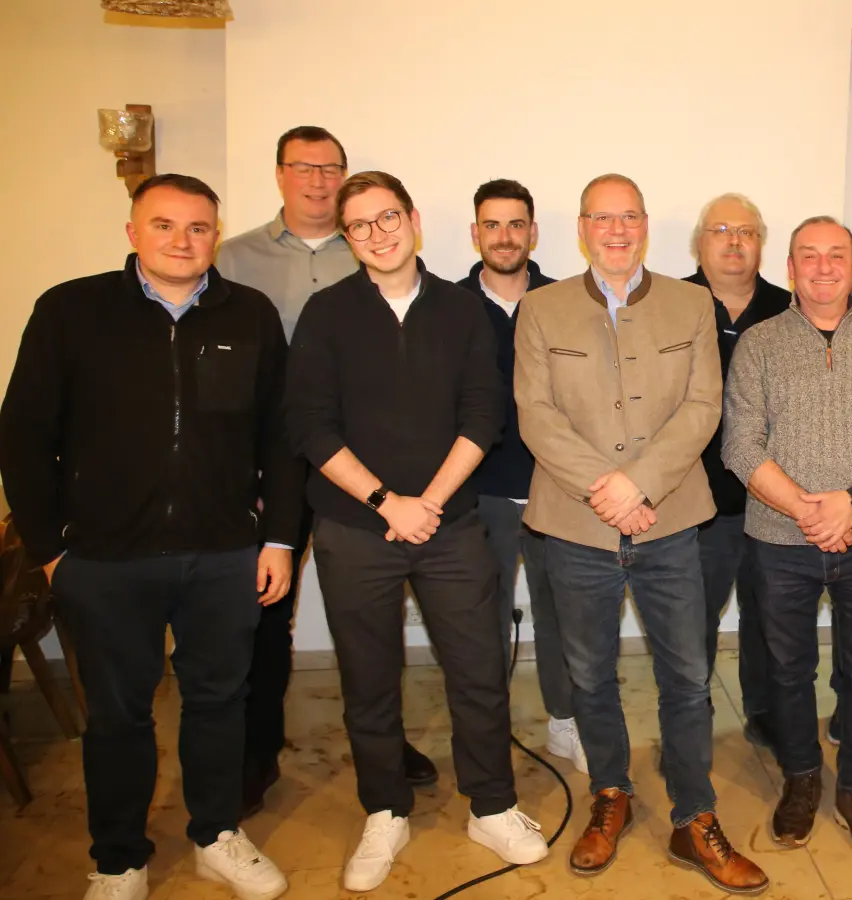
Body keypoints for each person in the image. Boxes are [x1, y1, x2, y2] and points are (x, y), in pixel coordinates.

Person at [0, 174, 298, 900]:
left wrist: (280, 540)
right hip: (103, 559)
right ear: (133, 232)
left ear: (215, 236)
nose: (181, 241)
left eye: (198, 228)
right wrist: (50, 550)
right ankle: (119, 856)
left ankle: (216, 833)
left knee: (220, 702)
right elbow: (24, 434)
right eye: (163, 225)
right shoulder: (71, 310)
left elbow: (281, 438)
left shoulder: (249, 314)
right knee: (118, 714)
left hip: (224, 553)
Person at [286, 171, 548, 892]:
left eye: (388, 216)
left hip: (451, 522)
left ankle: (491, 805)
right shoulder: (326, 312)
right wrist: (384, 501)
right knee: (369, 679)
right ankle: (384, 809)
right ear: (347, 238)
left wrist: (426, 501)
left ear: (414, 219)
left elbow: (482, 416)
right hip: (353, 527)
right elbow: (310, 424)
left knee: (477, 667)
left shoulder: (462, 312)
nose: (378, 233)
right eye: (360, 225)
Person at [515, 174, 767, 892]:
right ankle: (610, 796)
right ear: (583, 227)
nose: (617, 229)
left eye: (629, 217)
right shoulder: (541, 309)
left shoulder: (692, 304)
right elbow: (536, 415)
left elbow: (702, 406)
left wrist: (639, 484)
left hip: (671, 522)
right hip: (575, 524)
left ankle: (695, 817)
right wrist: (606, 489)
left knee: (687, 676)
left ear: (647, 225)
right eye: (603, 217)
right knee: (590, 675)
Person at [215, 124, 439, 816]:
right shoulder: (231, 257)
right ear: (279, 174)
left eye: (330, 169)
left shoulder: (372, 250)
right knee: (264, 607)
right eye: (302, 168)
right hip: (268, 455)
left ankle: (386, 742)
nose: (317, 180)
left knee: (371, 613)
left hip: (358, 463)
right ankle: (256, 753)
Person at [722, 215, 852, 859]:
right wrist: (811, 512)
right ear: (789, 269)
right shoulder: (758, 343)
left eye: (837, 254)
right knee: (787, 670)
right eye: (809, 255)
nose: (824, 266)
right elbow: (740, 445)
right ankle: (802, 780)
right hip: (779, 541)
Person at [454, 178, 586, 774]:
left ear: (533, 233)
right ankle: (487, 734)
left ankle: (565, 722)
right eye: (491, 225)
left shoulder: (566, 301)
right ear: (475, 233)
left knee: (562, 614)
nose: (504, 237)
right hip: (479, 494)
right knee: (480, 619)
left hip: (556, 489)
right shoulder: (448, 307)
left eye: (515, 225)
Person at [683, 192, 791, 749]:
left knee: (768, 614)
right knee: (692, 618)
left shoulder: (787, 310)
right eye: (721, 230)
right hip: (694, 500)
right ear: (700, 242)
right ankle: (690, 712)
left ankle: (764, 710)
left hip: (773, 498)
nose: (733, 241)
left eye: (746, 231)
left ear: (761, 244)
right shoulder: (671, 304)